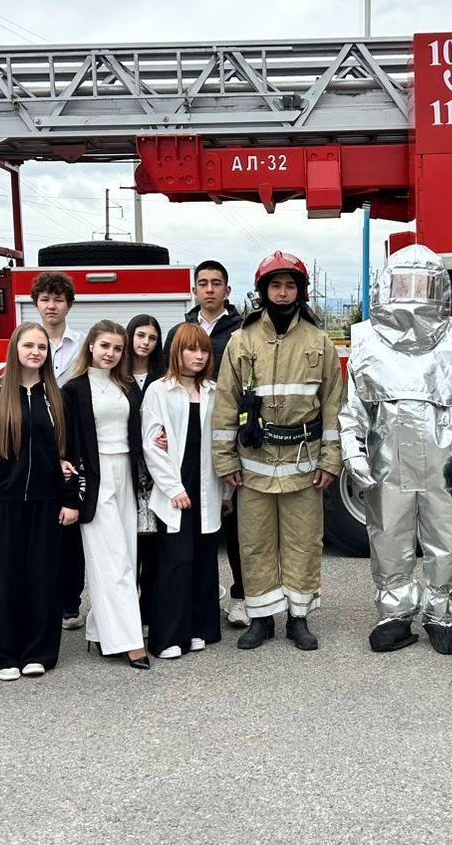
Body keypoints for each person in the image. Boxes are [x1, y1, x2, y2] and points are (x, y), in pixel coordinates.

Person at [341, 245, 452, 655]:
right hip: (387, 458)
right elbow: (353, 408)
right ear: (386, 287)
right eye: (403, 283)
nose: (412, 294)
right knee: (389, 536)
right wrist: (353, 450)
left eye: (422, 284)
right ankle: (395, 613)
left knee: (448, 537)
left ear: (439, 289)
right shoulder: (366, 340)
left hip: (444, 459)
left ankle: (442, 613)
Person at [213, 251, 343, 651]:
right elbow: (225, 402)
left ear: (300, 291)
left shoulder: (320, 342)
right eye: (275, 285)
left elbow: (334, 405)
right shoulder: (241, 340)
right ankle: (262, 619)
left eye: (289, 285)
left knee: (303, 542)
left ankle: (298, 618)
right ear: (263, 291)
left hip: (303, 463)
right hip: (254, 464)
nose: (282, 293)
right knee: (255, 544)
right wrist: (224, 459)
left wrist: (331, 459)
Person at [0, 323, 82, 681]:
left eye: (42, 347)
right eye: (28, 345)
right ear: (15, 349)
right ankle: (3, 656)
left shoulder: (58, 399)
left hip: (47, 502)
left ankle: (37, 653)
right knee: (2, 582)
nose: (35, 352)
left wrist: (71, 500)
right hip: (1, 503)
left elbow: (71, 454)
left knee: (42, 579)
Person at [166, 260, 250, 628]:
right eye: (203, 283)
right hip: (188, 439)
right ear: (194, 290)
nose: (210, 289)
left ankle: (241, 597)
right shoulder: (180, 332)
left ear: (227, 290)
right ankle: (199, 592)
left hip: (229, 435)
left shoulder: (242, 331)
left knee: (234, 524)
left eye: (217, 283)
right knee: (191, 522)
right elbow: (165, 379)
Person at [62, 320, 150, 670]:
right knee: (112, 561)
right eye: (104, 346)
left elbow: (138, 430)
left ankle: (99, 630)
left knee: (126, 556)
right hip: (94, 478)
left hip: (125, 473)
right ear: (91, 347)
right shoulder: (74, 389)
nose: (110, 353)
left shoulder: (125, 385)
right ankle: (131, 642)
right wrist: (71, 490)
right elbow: (68, 443)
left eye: (117, 348)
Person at [141, 324, 225, 659]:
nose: (199, 356)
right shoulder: (159, 390)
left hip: (207, 484)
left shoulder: (213, 391)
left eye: (203, 350)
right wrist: (172, 488)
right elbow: (152, 443)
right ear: (177, 351)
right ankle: (168, 637)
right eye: (191, 349)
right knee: (176, 560)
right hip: (176, 485)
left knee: (204, 558)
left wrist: (226, 493)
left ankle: (199, 630)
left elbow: (222, 440)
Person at [27, 270, 87, 629]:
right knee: (40, 525)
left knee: (71, 524)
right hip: (36, 441)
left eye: (59, 300)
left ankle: (70, 602)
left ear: (69, 305)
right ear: (36, 303)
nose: (52, 306)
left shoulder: (83, 344)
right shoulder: (27, 341)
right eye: (45, 299)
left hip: (73, 437)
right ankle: (41, 599)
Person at [127, 314, 166, 626]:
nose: (145, 343)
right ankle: (127, 616)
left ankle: (150, 611)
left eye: (152, 338)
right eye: (140, 335)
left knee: (155, 546)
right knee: (129, 546)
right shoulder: (116, 374)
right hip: (125, 467)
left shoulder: (163, 377)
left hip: (156, 471)